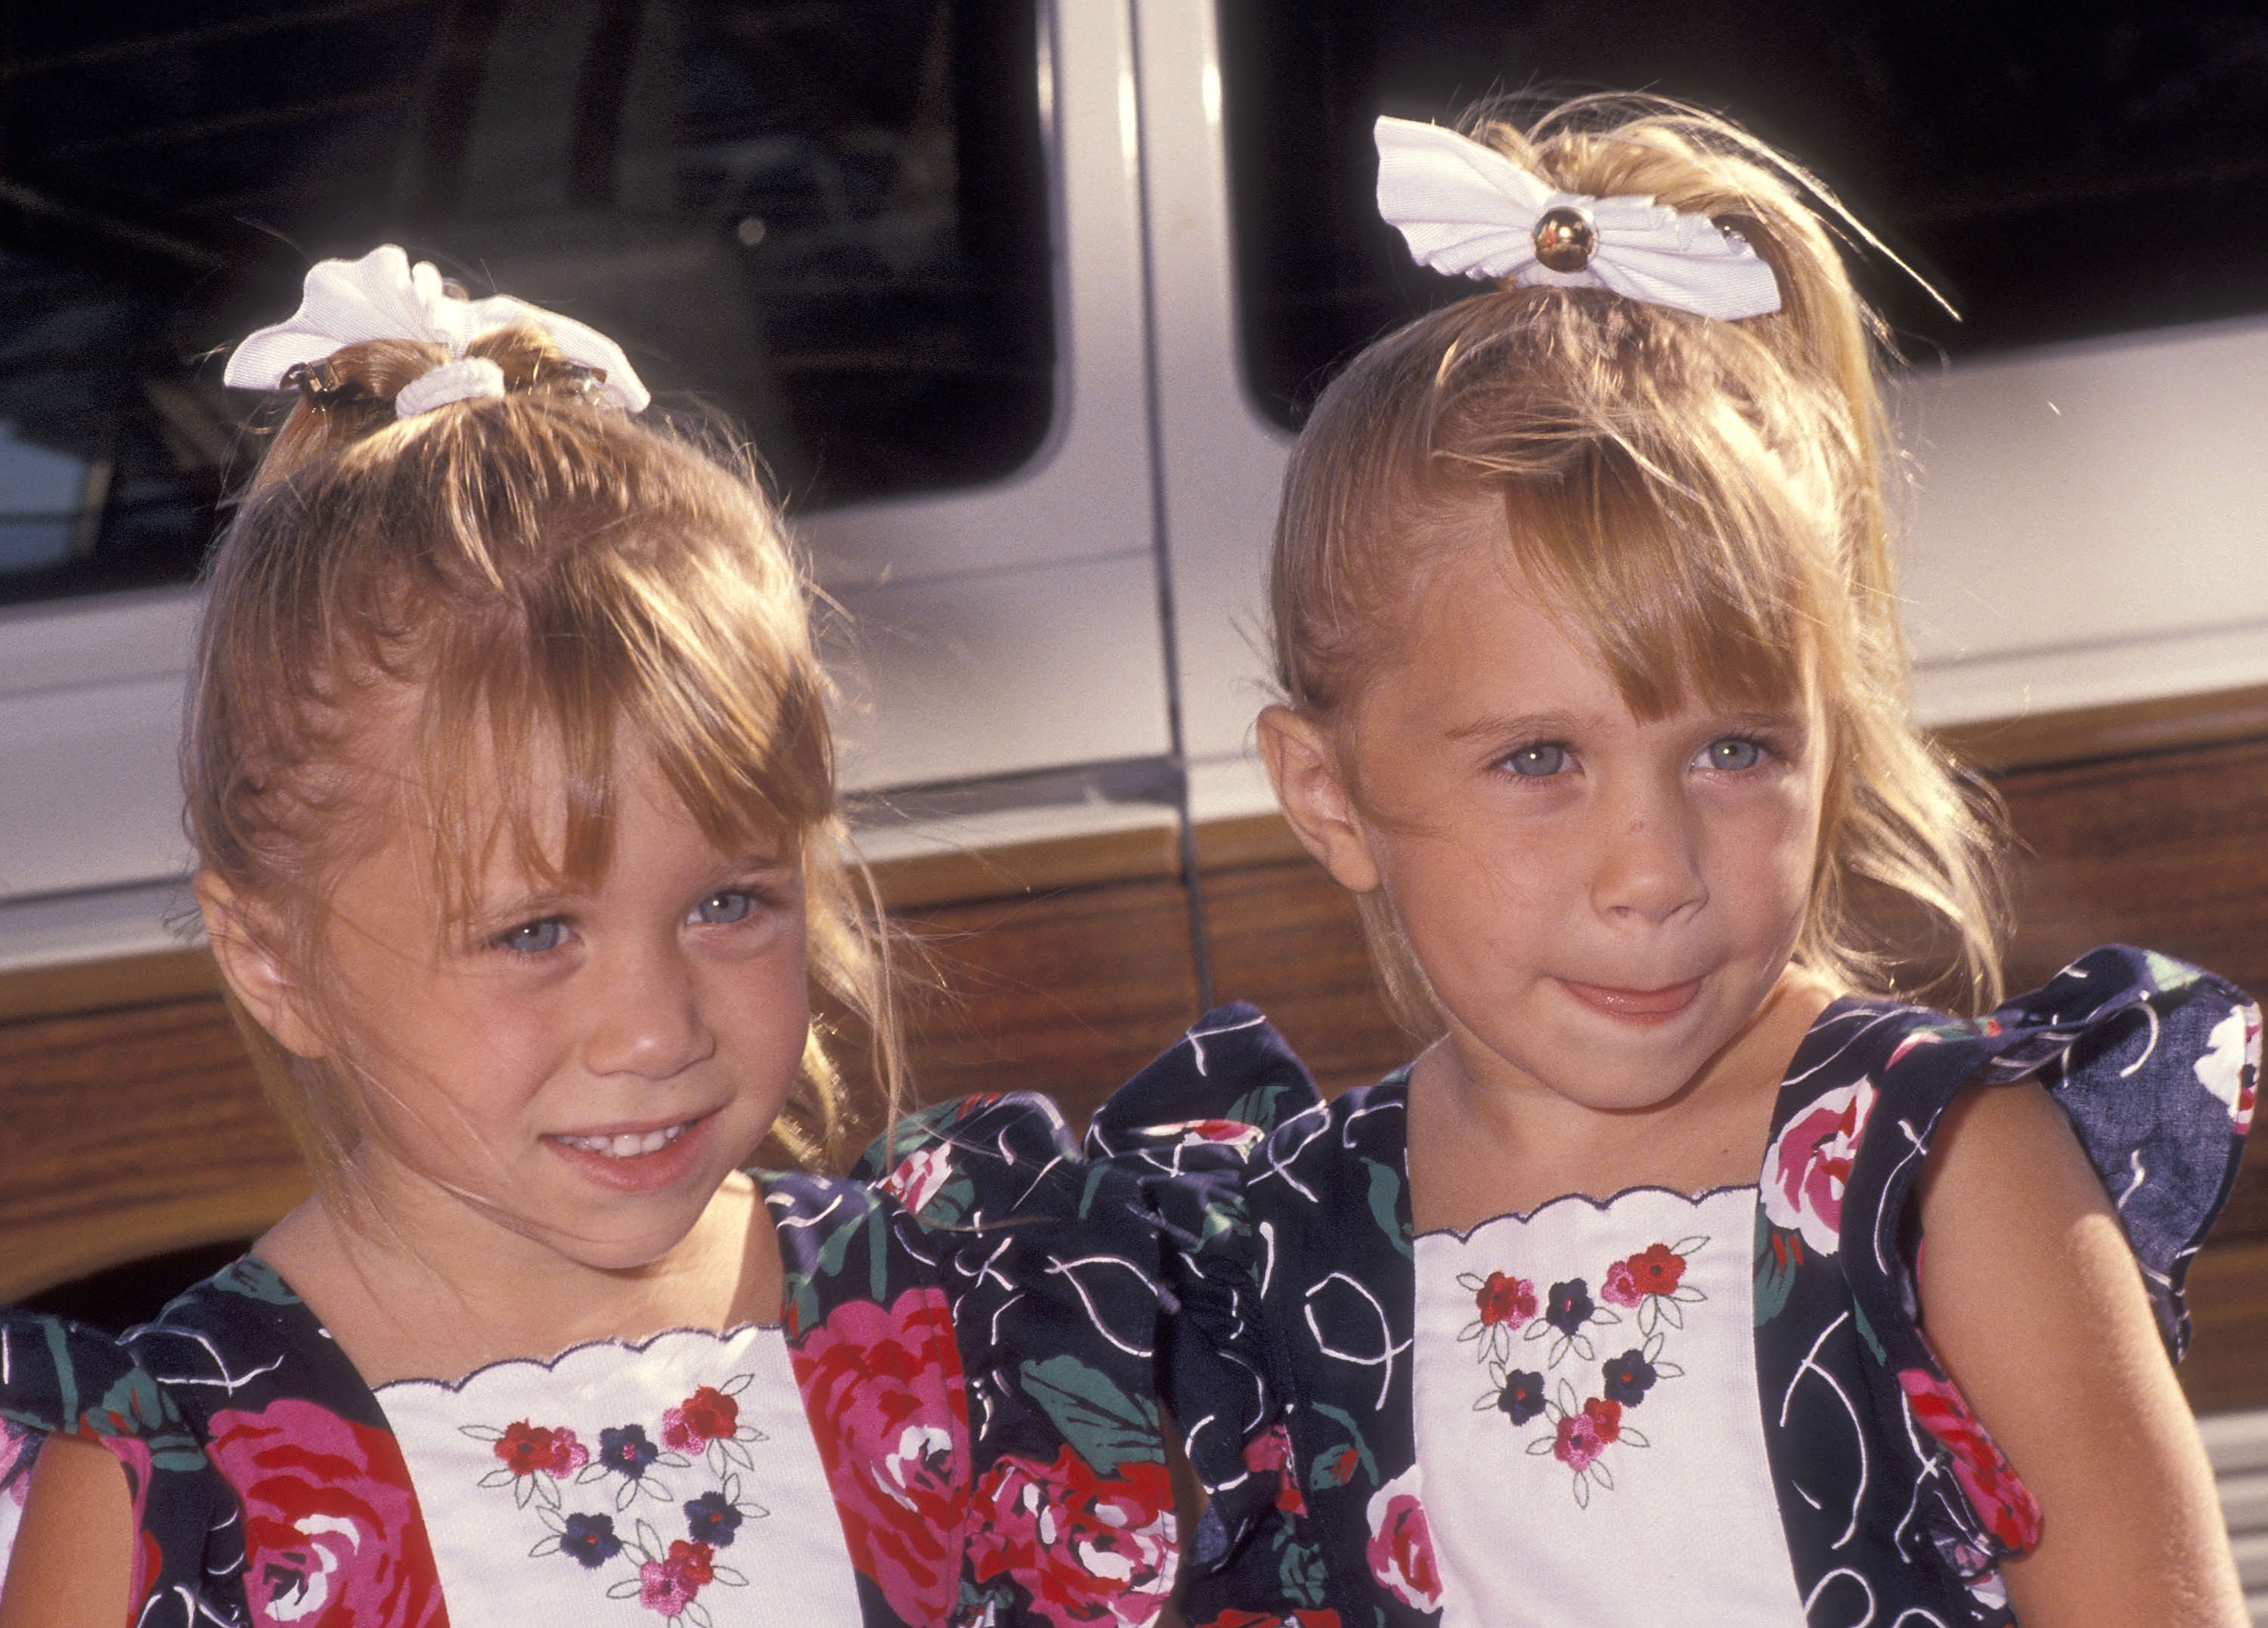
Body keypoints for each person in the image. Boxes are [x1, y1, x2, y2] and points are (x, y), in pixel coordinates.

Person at [1089, 101, 2258, 1627]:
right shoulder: (1281, 1246)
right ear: (1331, 796)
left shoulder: (1936, 1169)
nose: (1653, 869)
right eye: (1540, 761)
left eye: (1734, 752)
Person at [0, 246, 1176, 1628]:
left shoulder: (967, 1338)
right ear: (274, 957)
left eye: (727, 903)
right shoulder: (173, 1506)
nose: (655, 1029)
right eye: (536, 930)